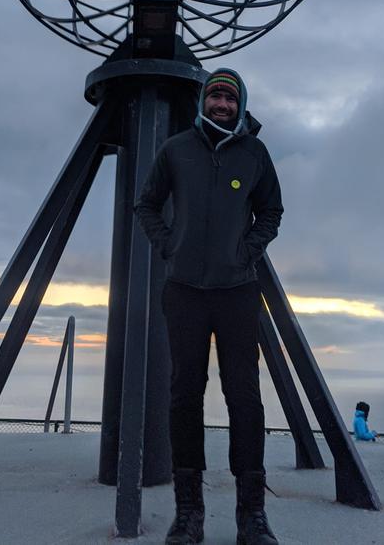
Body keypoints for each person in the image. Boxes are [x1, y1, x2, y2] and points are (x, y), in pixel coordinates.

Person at [135, 67, 283, 545]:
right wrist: (169, 246)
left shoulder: (255, 153)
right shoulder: (177, 149)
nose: (222, 105)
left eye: (230, 99)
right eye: (215, 97)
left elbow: (272, 211)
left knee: (245, 399)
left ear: (240, 105)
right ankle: (189, 515)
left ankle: (251, 517)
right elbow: (147, 205)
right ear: (203, 102)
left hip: (238, 292)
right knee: (184, 397)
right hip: (184, 293)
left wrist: (246, 250)